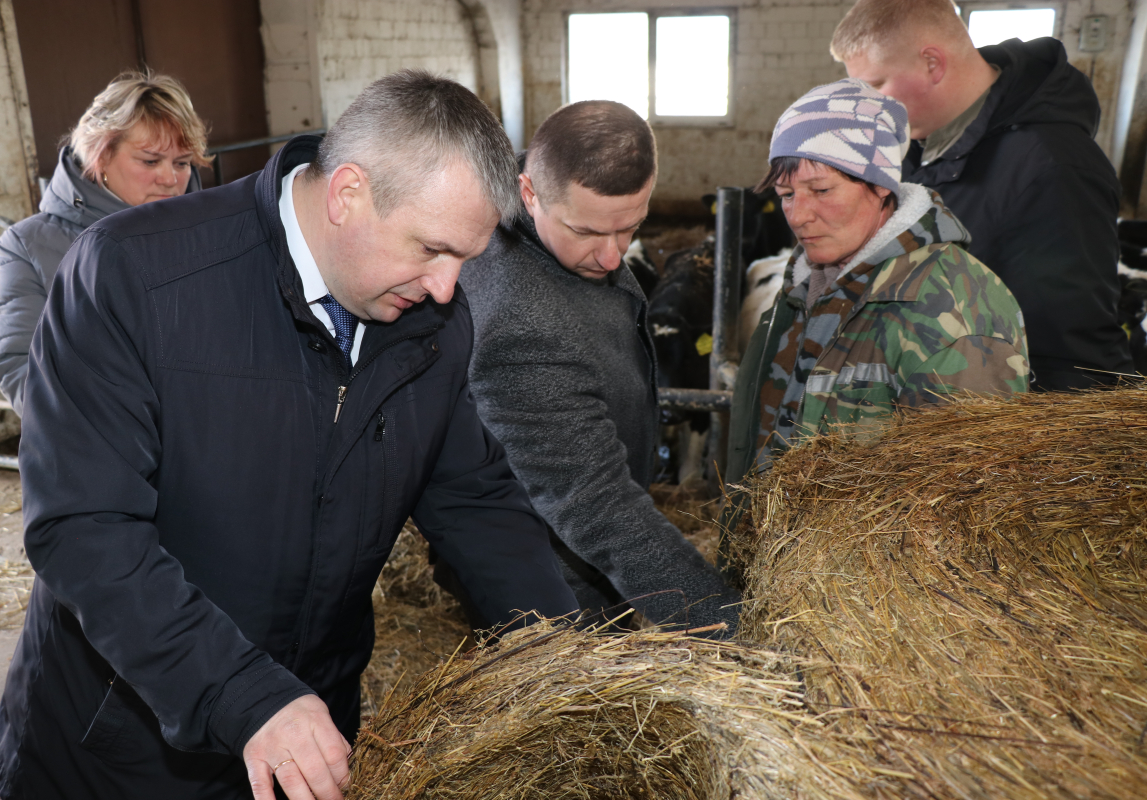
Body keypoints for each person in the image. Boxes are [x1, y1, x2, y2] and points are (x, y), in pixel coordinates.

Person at [0, 70, 578, 800]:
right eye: (431, 248)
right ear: (348, 194)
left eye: (466, 257)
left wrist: (564, 655)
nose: (447, 287)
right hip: (126, 741)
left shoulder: (429, 323)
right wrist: (240, 691)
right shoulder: (133, 277)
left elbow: (473, 498)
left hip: (307, 734)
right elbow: (84, 528)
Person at [456, 100, 740, 636]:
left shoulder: (552, 210)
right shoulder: (523, 320)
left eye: (630, 228)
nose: (612, 258)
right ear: (528, 193)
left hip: (584, 546)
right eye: (586, 232)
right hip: (553, 579)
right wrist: (725, 626)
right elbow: (597, 505)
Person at [722, 78, 1030, 516]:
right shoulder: (804, 287)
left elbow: (967, 507)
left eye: (822, 190)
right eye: (787, 195)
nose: (799, 216)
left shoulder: (950, 307)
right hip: (788, 573)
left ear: (881, 184)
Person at [831, 0, 1132, 391]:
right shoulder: (914, 150)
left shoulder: (1054, 167)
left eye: (875, 86)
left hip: (996, 420)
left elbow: (1072, 350)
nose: (868, 108)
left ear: (932, 64)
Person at [0, 71, 207, 416]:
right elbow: (20, 369)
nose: (170, 179)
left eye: (181, 163)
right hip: (109, 455)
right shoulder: (28, 245)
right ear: (100, 156)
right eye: (150, 160)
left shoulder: (210, 235)